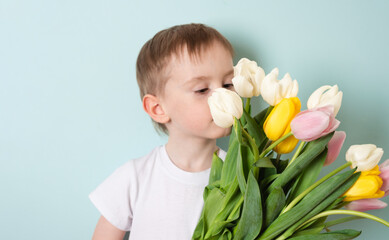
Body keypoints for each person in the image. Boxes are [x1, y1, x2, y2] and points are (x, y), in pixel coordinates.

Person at [89, 23, 235, 240]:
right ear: (158, 109)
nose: (223, 97)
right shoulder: (135, 178)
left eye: (228, 84)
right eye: (202, 89)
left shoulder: (240, 177)